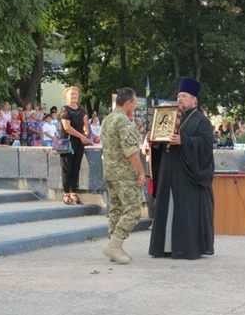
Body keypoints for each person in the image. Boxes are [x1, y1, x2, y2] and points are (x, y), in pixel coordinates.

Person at [149, 78, 215, 259]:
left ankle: (185, 248)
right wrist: (155, 141)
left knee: (183, 210)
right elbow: (163, 144)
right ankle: (164, 247)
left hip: (187, 174)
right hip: (168, 169)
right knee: (166, 206)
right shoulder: (170, 117)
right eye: (178, 95)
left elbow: (206, 145)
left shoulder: (202, 121)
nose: (180, 99)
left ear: (194, 100)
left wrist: (184, 140)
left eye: (184, 96)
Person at [100, 87, 146, 264]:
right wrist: (141, 171)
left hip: (110, 172)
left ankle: (115, 247)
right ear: (127, 103)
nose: (134, 106)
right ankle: (114, 245)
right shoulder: (124, 122)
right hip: (125, 174)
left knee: (116, 210)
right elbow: (130, 151)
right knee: (133, 210)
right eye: (134, 103)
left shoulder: (108, 119)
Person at [59, 86, 90, 205]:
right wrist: (81, 136)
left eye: (76, 94)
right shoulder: (65, 109)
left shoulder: (81, 109)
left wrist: (86, 131)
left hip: (79, 141)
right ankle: (66, 193)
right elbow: (67, 127)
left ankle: (74, 193)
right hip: (68, 141)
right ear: (66, 96)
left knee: (76, 167)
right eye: (72, 94)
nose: (74, 96)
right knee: (67, 168)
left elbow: (85, 122)